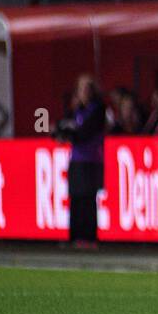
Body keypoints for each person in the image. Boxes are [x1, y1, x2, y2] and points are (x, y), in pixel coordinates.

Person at [57, 74, 105, 245]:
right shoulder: (76, 110)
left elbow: (83, 133)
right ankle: (75, 237)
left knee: (88, 199)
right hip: (76, 160)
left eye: (87, 88)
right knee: (76, 198)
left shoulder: (97, 110)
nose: (84, 92)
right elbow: (60, 129)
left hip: (91, 160)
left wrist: (70, 133)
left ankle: (89, 237)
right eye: (81, 88)